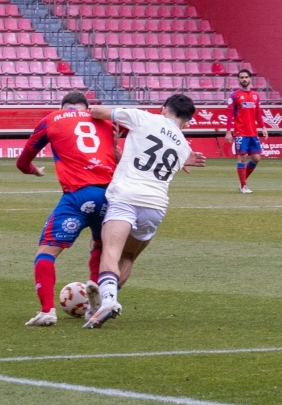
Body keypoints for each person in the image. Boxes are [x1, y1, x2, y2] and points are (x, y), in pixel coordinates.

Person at [84, 94, 206, 329]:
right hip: (155, 205)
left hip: (125, 197)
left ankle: (107, 300)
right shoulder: (183, 146)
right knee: (128, 256)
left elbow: (97, 111)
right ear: (188, 122)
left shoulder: (143, 118)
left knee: (110, 249)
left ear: (163, 109)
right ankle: (99, 306)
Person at [16, 91, 118, 326]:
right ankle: (95, 292)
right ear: (87, 107)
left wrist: (34, 171)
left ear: (62, 107)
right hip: (110, 195)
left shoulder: (51, 118)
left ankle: (47, 311)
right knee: (100, 245)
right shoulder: (104, 119)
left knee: (46, 253)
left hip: (77, 195)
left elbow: (22, 163)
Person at [225, 69, 268, 194]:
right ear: (238, 80)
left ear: (250, 79)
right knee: (242, 159)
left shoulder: (255, 95)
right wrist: (228, 132)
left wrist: (263, 127)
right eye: (241, 77)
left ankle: (242, 182)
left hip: (253, 132)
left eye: (246, 77)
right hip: (240, 132)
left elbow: (258, 113)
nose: (244, 79)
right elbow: (229, 115)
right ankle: (244, 186)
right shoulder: (234, 96)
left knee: (256, 158)